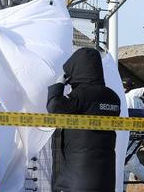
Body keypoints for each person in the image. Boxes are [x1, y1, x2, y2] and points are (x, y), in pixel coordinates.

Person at [46, 47, 122, 192]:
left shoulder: (80, 96)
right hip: (105, 178)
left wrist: (59, 84)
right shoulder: (113, 98)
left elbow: (54, 106)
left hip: (76, 181)